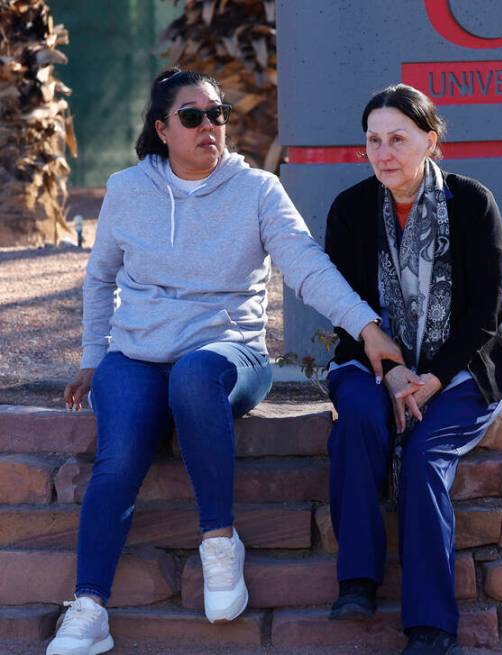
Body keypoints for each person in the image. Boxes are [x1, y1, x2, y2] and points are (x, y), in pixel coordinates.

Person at [46, 68, 403, 655]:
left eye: (218, 114)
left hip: (229, 354)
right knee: (117, 462)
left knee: (193, 374)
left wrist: (366, 327)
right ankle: (89, 609)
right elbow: (100, 277)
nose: (210, 126)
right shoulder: (128, 189)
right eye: (193, 116)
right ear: (162, 128)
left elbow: (307, 266)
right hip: (137, 355)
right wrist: (92, 357)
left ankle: (219, 541)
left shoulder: (258, 189)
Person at [323, 84, 502, 655]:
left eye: (398, 139)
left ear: (430, 141)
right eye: (373, 141)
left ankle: (431, 627)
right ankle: (357, 581)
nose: (384, 153)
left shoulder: (472, 203)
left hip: (459, 371)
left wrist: (430, 378)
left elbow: (489, 311)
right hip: (372, 363)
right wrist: (391, 374)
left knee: (427, 454)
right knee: (358, 421)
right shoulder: (352, 209)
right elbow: (345, 310)